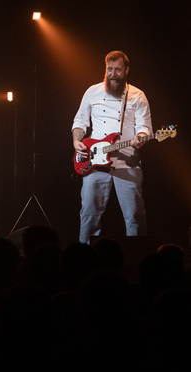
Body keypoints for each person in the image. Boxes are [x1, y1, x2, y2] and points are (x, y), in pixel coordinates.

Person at [72, 51, 152, 244]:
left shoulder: (138, 95)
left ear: (126, 70)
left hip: (128, 163)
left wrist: (141, 138)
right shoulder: (92, 92)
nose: (113, 74)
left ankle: (137, 257)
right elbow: (80, 122)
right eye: (110, 69)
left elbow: (145, 128)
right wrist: (77, 141)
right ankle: (85, 257)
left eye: (117, 70)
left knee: (134, 216)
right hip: (94, 161)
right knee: (89, 214)